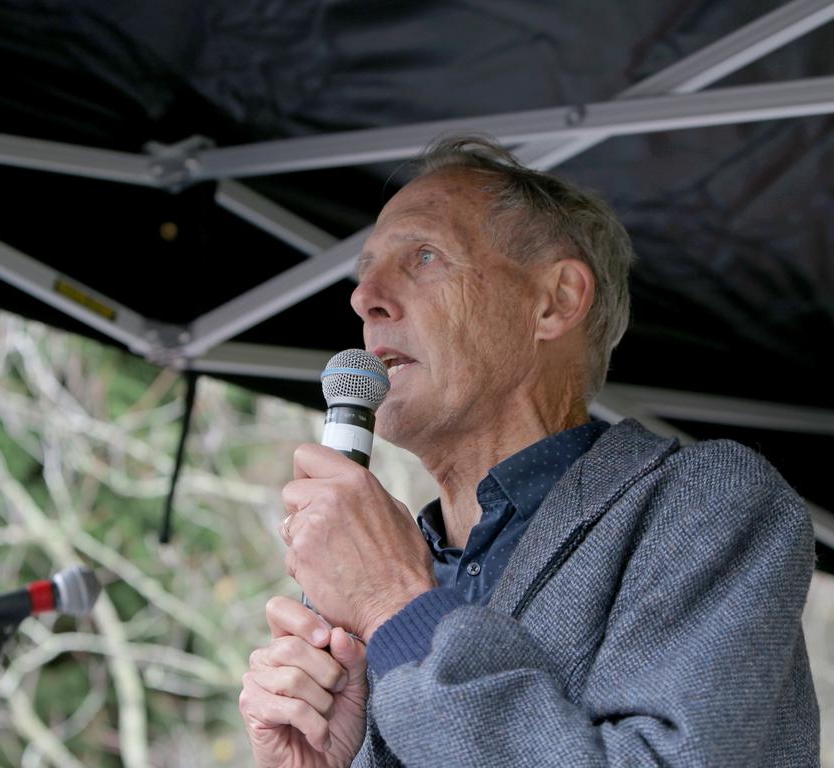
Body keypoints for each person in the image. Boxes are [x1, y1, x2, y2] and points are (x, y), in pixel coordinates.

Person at [237, 134, 819, 767]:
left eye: (424, 256)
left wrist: (394, 606)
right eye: (364, 272)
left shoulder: (707, 501)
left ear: (555, 301)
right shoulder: (405, 569)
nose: (364, 296)